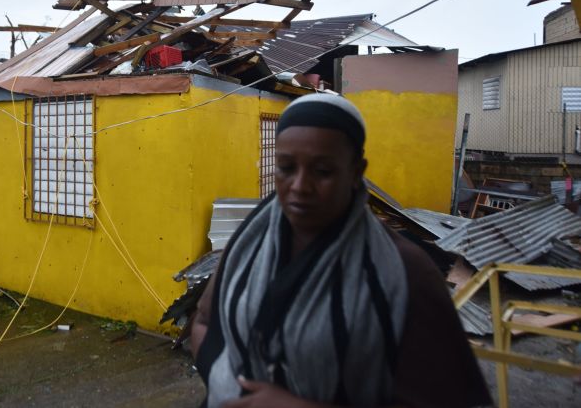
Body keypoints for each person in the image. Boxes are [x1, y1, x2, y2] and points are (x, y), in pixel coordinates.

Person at [191, 93, 491, 408]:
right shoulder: (248, 243)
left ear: (356, 171)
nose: (300, 186)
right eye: (286, 167)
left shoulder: (403, 273)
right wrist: (226, 385)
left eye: (322, 171)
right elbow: (204, 321)